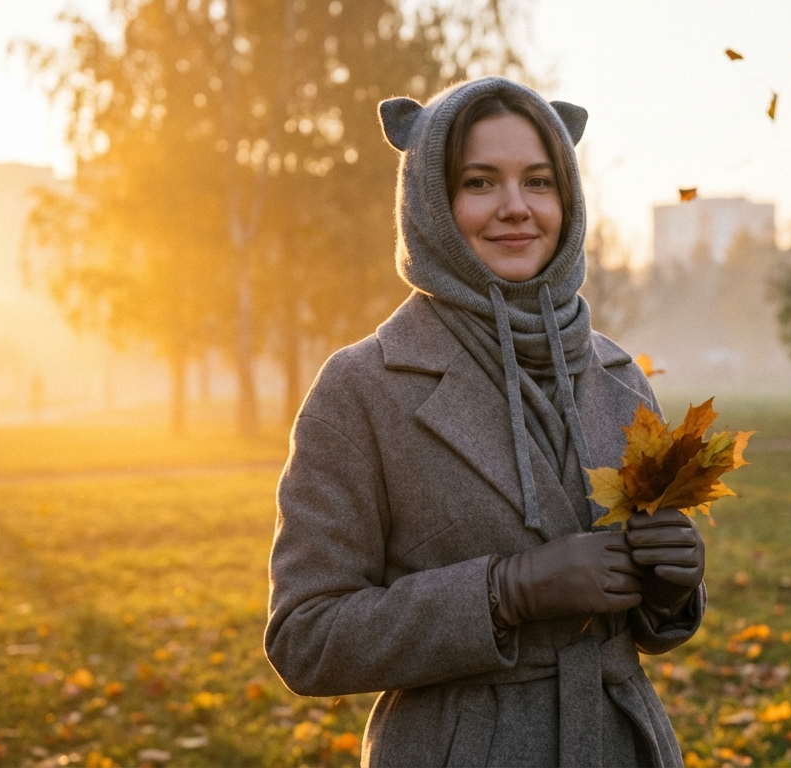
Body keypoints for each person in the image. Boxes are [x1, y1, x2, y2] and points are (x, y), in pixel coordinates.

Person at [265, 76, 706, 768]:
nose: (515, 207)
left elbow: (645, 627)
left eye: (539, 181)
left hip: (622, 745)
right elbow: (306, 638)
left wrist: (673, 589)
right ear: (429, 202)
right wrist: (507, 590)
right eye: (479, 182)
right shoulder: (362, 388)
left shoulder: (618, 376)